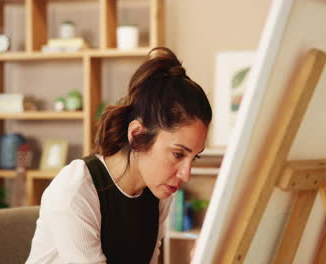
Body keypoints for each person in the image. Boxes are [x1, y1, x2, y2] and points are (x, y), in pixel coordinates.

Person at [26, 47, 212, 264]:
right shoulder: (76, 190)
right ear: (136, 135)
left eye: (194, 157)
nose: (186, 174)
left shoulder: (158, 194)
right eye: (178, 154)